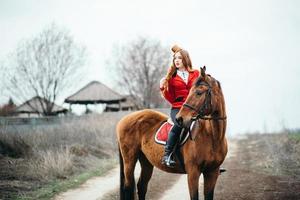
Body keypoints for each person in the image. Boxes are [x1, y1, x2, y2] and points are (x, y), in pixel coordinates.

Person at [160, 45, 199, 167]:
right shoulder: (171, 78)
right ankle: (167, 155)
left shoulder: (196, 73)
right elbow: (169, 97)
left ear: (186, 59)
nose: (176, 60)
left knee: (208, 125)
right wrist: (162, 87)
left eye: (180, 58)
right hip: (178, 108)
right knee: (178, 125)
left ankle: (212, 160)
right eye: (175, 58)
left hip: (194, 107)